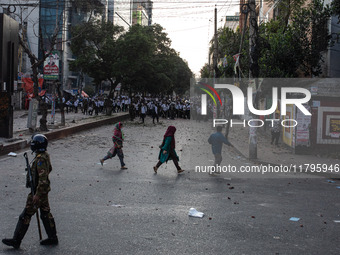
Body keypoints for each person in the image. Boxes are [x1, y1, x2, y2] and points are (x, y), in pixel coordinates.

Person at [2, 134, 58, 249]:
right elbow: (49, 171)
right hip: (43, 191)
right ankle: (53, 237)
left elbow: (43, 180)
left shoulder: (40, 159)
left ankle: (16, 240)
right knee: (46, 214)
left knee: (25, 215)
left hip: (38, 191)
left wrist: (37, 194)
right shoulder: (44, 155)